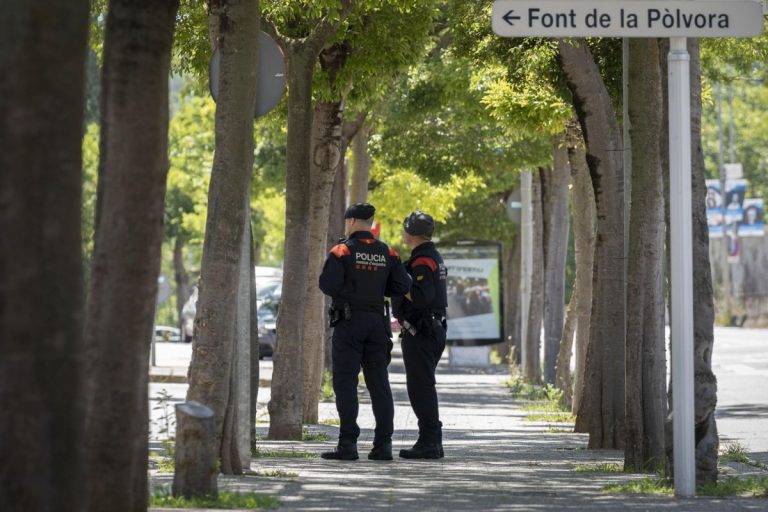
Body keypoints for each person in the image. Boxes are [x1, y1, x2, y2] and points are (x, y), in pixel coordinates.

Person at [318, 202, 411, 461]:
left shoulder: (341, 251)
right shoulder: (388, 253)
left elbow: (327, 284)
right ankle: (383, 445)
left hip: (349, 323)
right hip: (377, 324)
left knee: (345, 382)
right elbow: (402, 285)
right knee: (379, 383)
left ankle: (348, 444)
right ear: (370, 223)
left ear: (350, 222)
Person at [393, 210, 448, 459]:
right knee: (422, 385)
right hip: (430, 329)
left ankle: (430, 442)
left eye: (405, 228)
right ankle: (430, 440)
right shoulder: (429, 256)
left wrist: (400, 282)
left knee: (420, 387)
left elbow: (421, 296)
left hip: (422, 331)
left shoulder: (423, 260)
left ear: (411, 233)